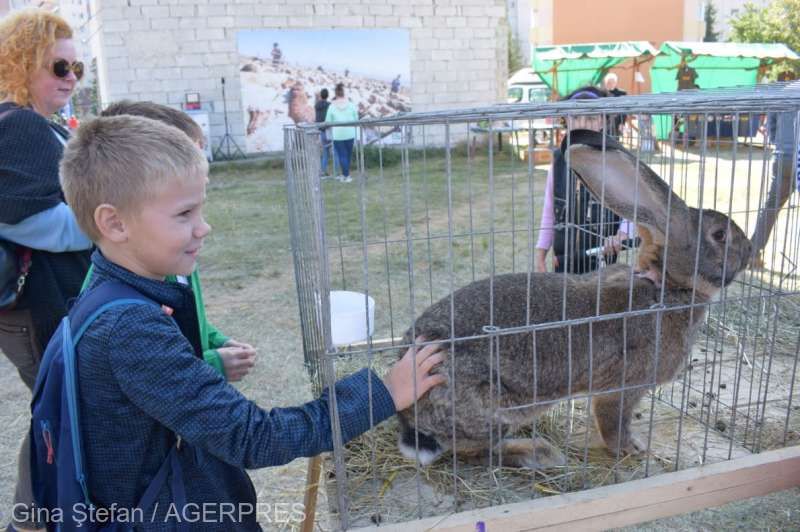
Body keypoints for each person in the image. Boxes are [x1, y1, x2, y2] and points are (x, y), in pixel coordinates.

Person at [48, 115, 445, 530]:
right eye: (184, 213)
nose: (204, 227)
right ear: (114, 223)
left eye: (200, 209)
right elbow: (252, 437)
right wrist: (383, 392)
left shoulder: (111, 296)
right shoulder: (130, 330)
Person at [82, 100, 257, 381]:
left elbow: (190, 321)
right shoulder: (126, 305)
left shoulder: (175, 256)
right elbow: (154, 369)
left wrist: (217, 341)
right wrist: (214, 363)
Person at [0, 10, 92, 531]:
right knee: (59, 417)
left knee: (60, 414)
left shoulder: (34, 124)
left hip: (41, 299)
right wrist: (116, 222)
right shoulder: (21, 125)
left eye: (78, 69)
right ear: (23, 62)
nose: (70, 78)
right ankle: (30, 523)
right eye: (59, 66)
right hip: (37, 303)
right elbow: (39, 224)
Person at [534, 86, 635, 274]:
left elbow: (632, 208)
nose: (582, 124)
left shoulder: (616, 161)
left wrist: (622, 235)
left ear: (603, 122)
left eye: (590, 118)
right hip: (564, 260)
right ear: (567, 120)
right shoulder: (558, 161)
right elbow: (550, 211)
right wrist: (541, 253)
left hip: (602, 261)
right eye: (575, 117)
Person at [750, 104, 798, 267]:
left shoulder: (783, 95)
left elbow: (771, 126)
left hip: (782, 156)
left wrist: (779, 144)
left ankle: (753, 253)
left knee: (771, 206)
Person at [325, 82, 359, 183]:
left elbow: (327, 121)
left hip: (338, 134)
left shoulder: (331, 106)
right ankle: (346, 175)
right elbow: (356, 119)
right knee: (347, 155)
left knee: (342, 156)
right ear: (344, 93)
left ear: (336, 94)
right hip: (350, 133)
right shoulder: (351, 105)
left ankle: (346, 175)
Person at [315, 88, 332, 178]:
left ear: (321, 95)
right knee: (335, 152)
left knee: (325, 152)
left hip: (321, 130)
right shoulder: (329, 105)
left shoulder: (317, 105)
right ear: (327, 95)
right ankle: (336, 172)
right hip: (328, 130)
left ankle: (323, 171)